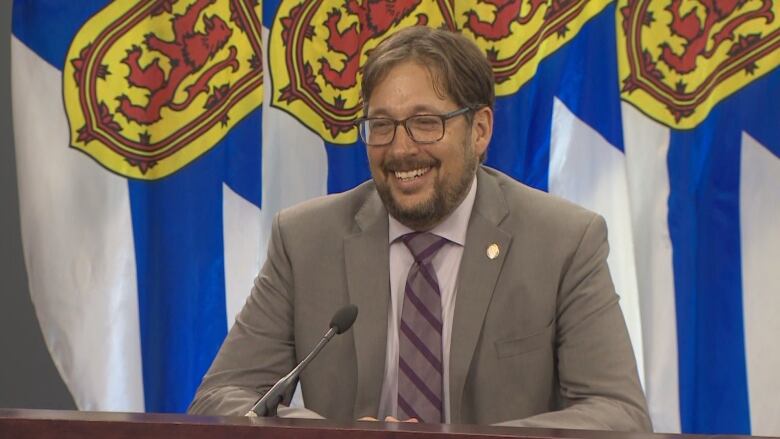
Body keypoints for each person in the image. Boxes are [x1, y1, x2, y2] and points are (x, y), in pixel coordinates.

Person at [188, 26, 652, 431]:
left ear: (480, 130)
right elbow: (220, 397)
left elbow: (617, 413)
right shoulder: (306, 240)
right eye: (382, 126)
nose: (401, 150)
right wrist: (331, 434)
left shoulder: (564, 240)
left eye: (426, 123)